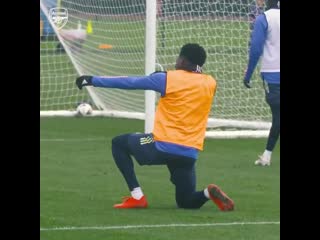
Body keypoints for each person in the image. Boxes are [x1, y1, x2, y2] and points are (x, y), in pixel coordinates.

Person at [75, 43, 234, 210]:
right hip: (189, 152)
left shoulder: (166, 78)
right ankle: (208, 193)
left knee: (119, 143)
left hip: (160, 144)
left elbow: (130, 82)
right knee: (186, 202)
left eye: (179, 58)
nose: (176, 61)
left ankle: (137, 197)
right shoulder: (210, 83)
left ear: (184, 60)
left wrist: (92, 80)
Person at [243, 0, 280, 166]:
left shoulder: (263, 19)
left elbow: (256, 48)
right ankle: (266, 155)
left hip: (272, 75)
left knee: (278, 116)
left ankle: (266, 156)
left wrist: (248, 74)